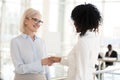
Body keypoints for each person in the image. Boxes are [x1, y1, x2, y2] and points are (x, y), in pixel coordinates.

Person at [49, 3, 102, 80]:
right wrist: (57, 59)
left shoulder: (83, 42)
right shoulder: (93, 38)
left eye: (75, 20)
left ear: (82, 21)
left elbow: (81, 73)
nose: (74, 23)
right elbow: (76, 63)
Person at [10, 8, 53, 80]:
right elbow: (19, 68)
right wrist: (41, 63)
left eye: (40, 21)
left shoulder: (41, 42)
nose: (38, 24)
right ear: (26, 21)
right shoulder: (15, 41)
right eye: (35, 20)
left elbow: (46, 68)